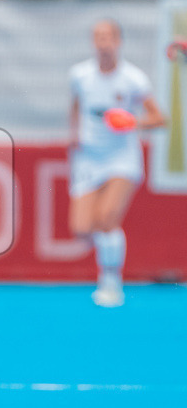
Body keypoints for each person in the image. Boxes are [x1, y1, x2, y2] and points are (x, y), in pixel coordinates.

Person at [68, 19, 166, 307]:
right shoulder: (80, 75)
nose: (103, 42)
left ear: (119, 41)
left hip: (121, 158)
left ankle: (111, 280)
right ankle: (106, 254)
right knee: (82, 228)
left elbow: (159, 118)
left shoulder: (133, 79)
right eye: (98, 37)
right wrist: (73, 137)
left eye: (108, 37)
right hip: (88, 157)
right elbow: (75, 107)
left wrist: (132, 121)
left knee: (107, 217)